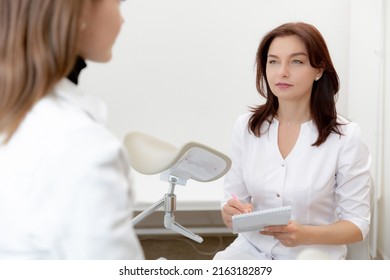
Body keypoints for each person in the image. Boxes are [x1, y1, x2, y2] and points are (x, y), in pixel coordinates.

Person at [213, 22, 372, 260]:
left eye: (296, 61)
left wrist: (305, 235)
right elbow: (234, 198)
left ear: (319, 70)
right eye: (273, 61)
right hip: (250, 251)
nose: (282, 72)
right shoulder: (246, 127)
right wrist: (230, 212)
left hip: (312, 255)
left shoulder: (346, 137)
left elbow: (358, 225)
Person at [0, 0, 144, 259]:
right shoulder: (80, 143)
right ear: (81, 11)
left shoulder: (16, 113)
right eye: (118, 3)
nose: (122, 19)